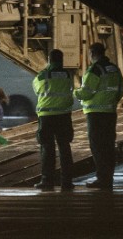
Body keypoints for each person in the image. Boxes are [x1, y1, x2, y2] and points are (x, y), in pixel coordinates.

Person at [73, 43, 123, 191]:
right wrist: (112, 101)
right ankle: (108, 178)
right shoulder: (114, 68)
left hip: (95, 114)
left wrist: (75, 92)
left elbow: (86, 92)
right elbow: (121, 89)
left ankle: (102, 179)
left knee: (98, 147)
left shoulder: (95, 70)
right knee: (109, 146)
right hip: (110, 113)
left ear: (92, 54)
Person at [32, 49, 75, 191]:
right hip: (64, 116)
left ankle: (47, 181)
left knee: (47, 148)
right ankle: (67, 182)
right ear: (62, 60)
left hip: (47, 116)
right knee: (65, 148)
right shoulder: (68, 75)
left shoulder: (42, 75)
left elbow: (37, 89)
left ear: (49, 60)